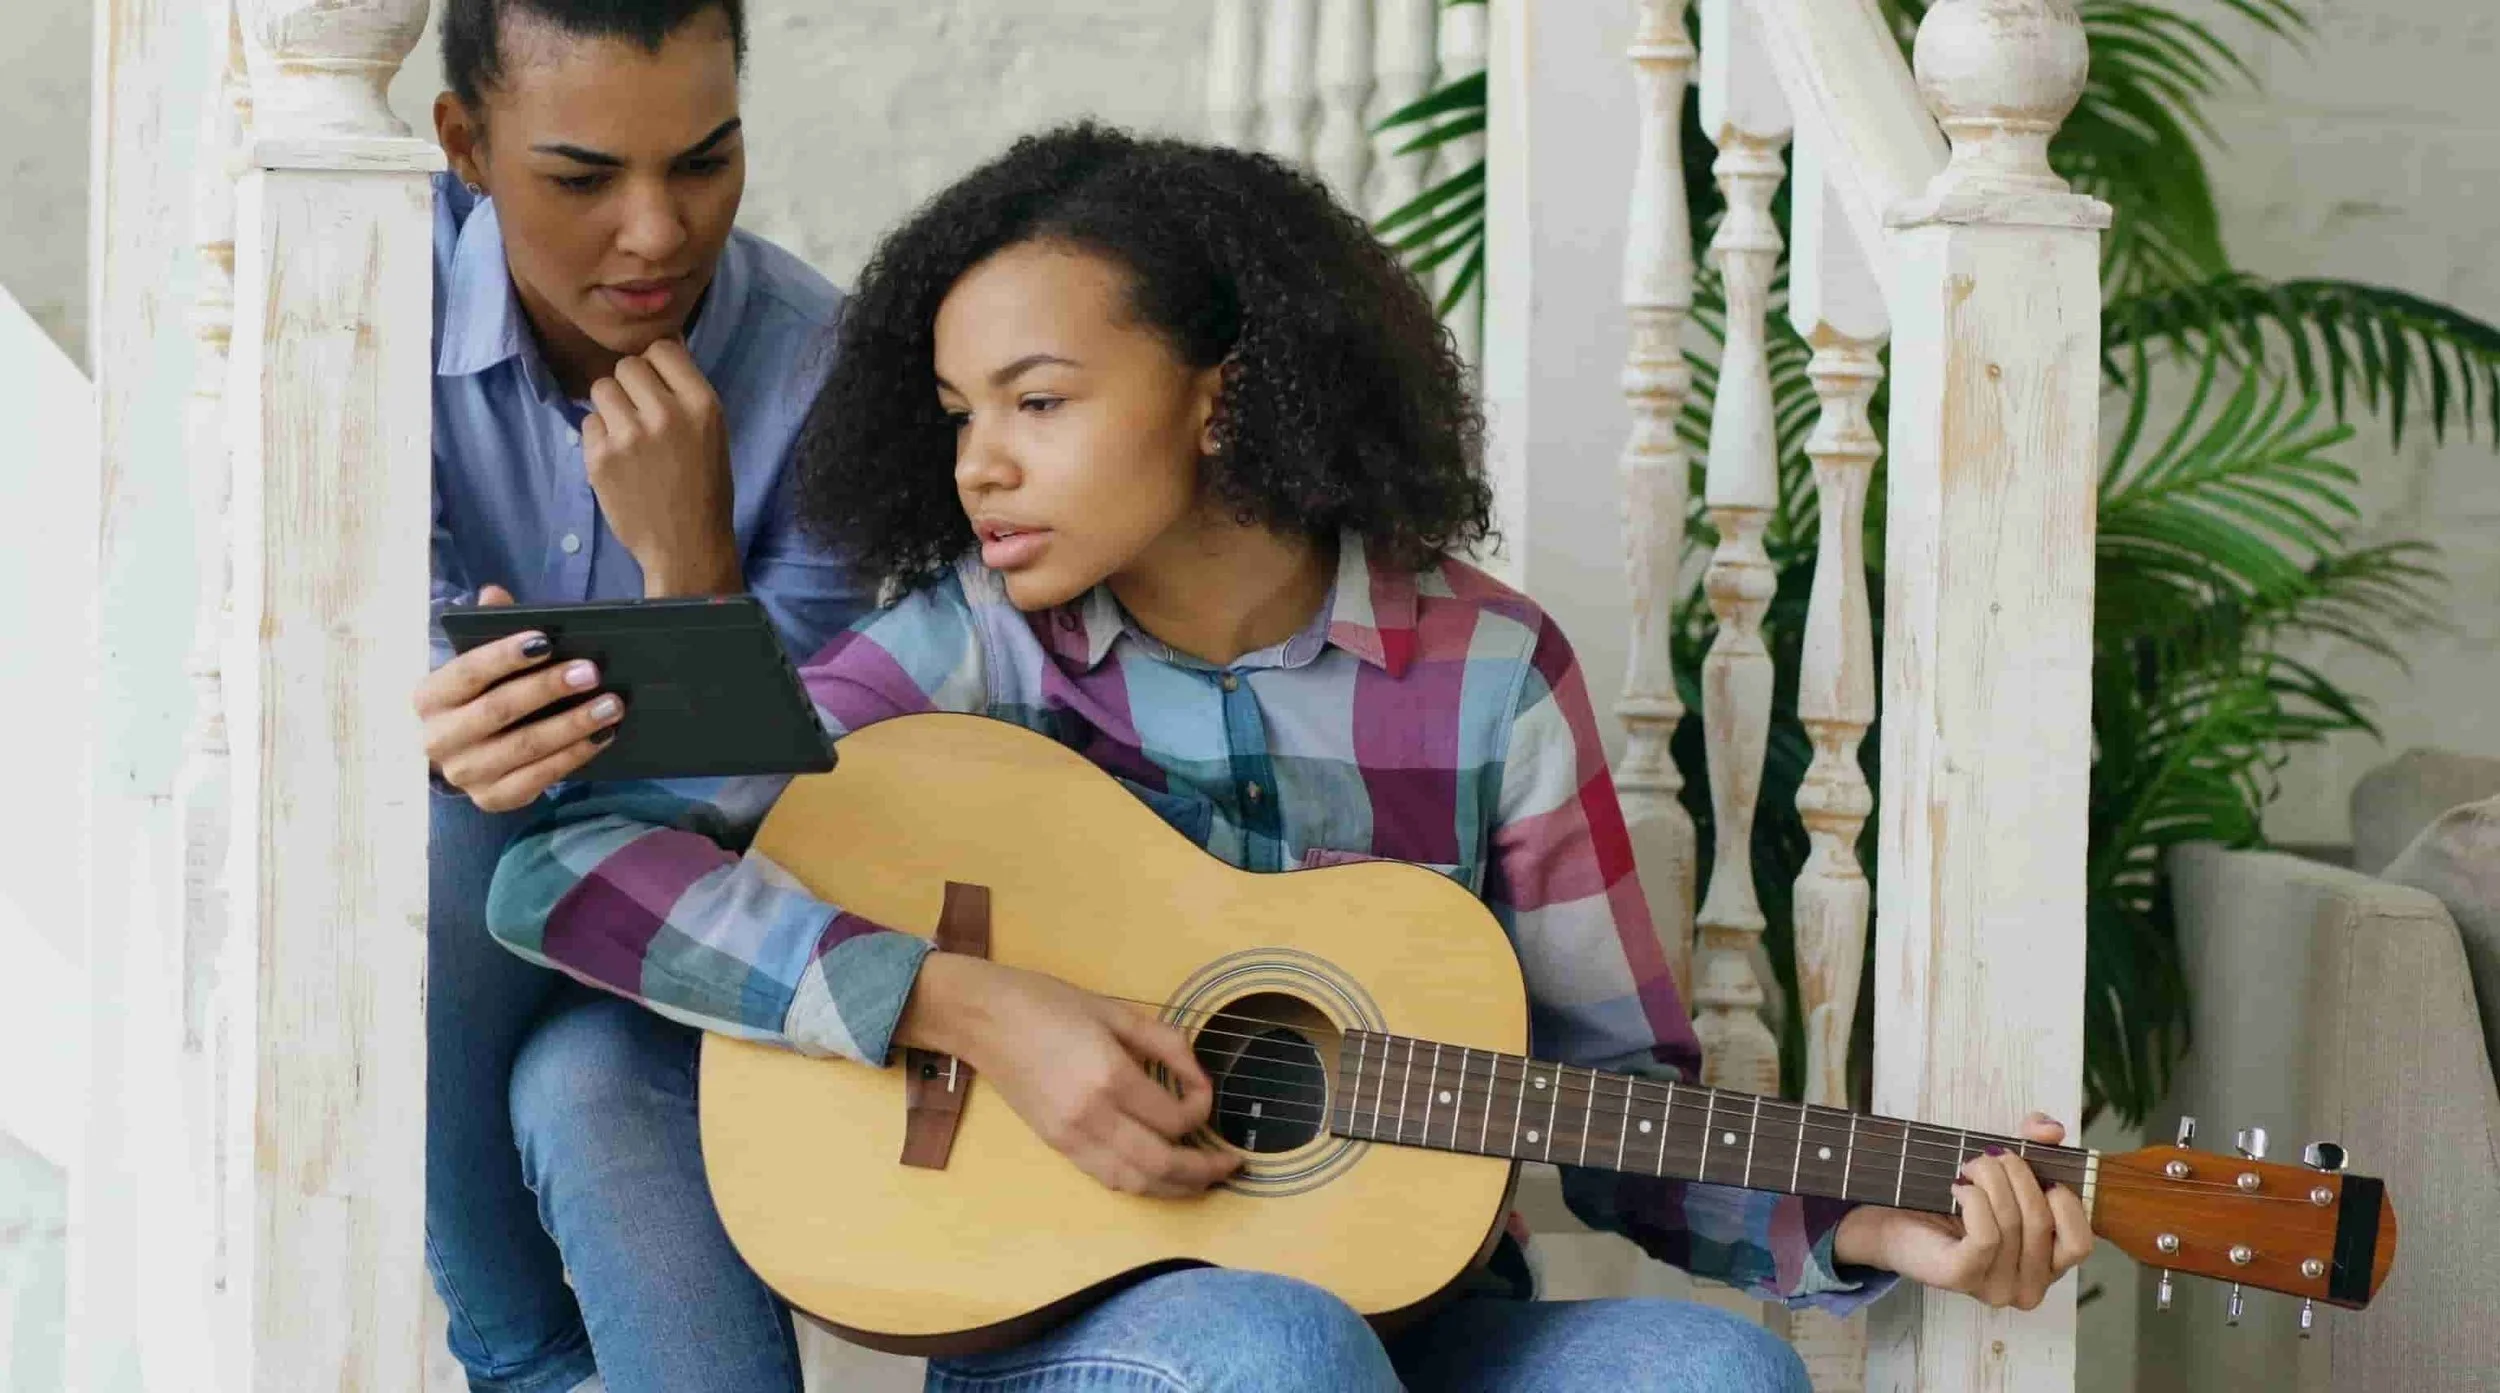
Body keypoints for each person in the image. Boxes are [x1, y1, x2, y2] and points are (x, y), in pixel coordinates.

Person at [485, 124, 2094, 1393]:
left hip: (1427, 1321)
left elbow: (1613, 1101)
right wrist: (967, 1001)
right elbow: (578, 869)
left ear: (1220, 397)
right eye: (960, 408)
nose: (979, 462)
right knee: (1271, 1349)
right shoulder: (959, 655)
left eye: (1038, 401)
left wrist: (1868, 1218)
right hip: (1084, 1336)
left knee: (1714, 1373)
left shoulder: (1488, 674)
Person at [412, 2, 868, 1389]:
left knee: (591, 1071)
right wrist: (424, 722)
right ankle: (523, 1358)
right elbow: (360, 673)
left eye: (706, 160)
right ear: (464, 147)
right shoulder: (360, 308)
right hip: (453, 898)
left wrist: (695, 569)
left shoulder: (823, 369)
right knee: (458, 829)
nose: (661, 232)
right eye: (584, 177)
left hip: (698, 934)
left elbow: (796, 790)